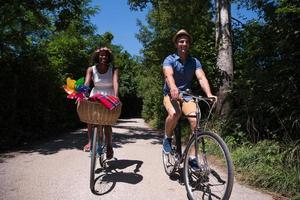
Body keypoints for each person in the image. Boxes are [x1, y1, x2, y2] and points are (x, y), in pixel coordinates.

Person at [162, 29, 217, 169]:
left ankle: (192, 156)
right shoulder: (170, 59)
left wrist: (209, 93)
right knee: (175, 114)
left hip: (186, 95)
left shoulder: (194, 61)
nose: (184, 44)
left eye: (186, 42)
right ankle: (167, 138)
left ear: (189, 44)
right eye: (181, 41)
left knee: (195, 120)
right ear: (176, 44)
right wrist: (173, 88)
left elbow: (201, 77)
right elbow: (169, 75)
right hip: (171, 94)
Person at [83, 46, 119, 160]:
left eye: (106, 55)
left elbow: (115, 83)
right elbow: (87, 83)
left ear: (109, 57)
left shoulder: (113, 69)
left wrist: (116, 97)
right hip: (96, 95)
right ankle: (90, 141)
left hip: (109, 95)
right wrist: (83, 94)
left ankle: (109, 145)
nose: (103, 57)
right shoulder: (91, 69)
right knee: (89, 118)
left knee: (107, 123)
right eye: (101, 55)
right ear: (97, 56)